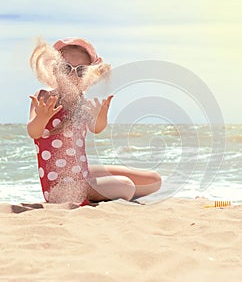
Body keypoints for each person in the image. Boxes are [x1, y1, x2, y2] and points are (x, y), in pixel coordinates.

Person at [27, 37, 161, 205]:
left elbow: (96, 128)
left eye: (81, 71)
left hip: (80, 174)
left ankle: (113, 192)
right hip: (60, 188)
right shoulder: (45, 97)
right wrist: (42, 117)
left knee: (154, 180)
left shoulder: (80, 102)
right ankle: (118, 192)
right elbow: (33, 132)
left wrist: (101, 116)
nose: (73, 75)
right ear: (55, 70)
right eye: (66, 68)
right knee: (125, 186)